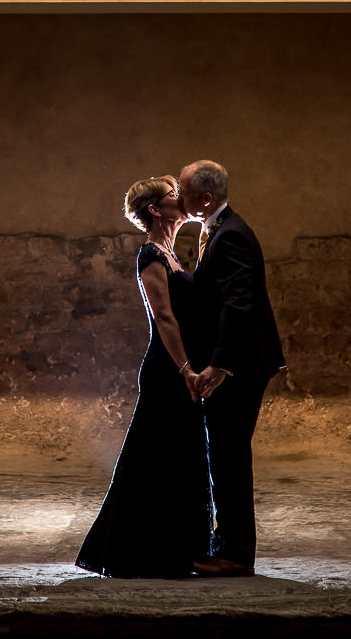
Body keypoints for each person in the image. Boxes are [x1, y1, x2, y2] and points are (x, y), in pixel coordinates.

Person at [76, 176, 212, 578]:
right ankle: (137, 553)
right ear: (155, 209)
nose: (182, 200)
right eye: (175, 196)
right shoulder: (151, 257)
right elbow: (165, 318)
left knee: (180, 460)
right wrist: (186, 369)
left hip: (180, 369)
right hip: (167, 371)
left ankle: (175, 550)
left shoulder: (172, 254)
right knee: (152, 460)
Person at [178, 159, 286, 578]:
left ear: (204, 199)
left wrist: (220, 365)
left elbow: (239, 305)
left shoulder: (233, 236)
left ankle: (236, 554)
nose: (179, 198)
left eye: (184, 192)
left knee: (230, 458)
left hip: (239, 367)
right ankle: (229, 547)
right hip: (236, 364)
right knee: (225, 456)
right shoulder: (218, 230)